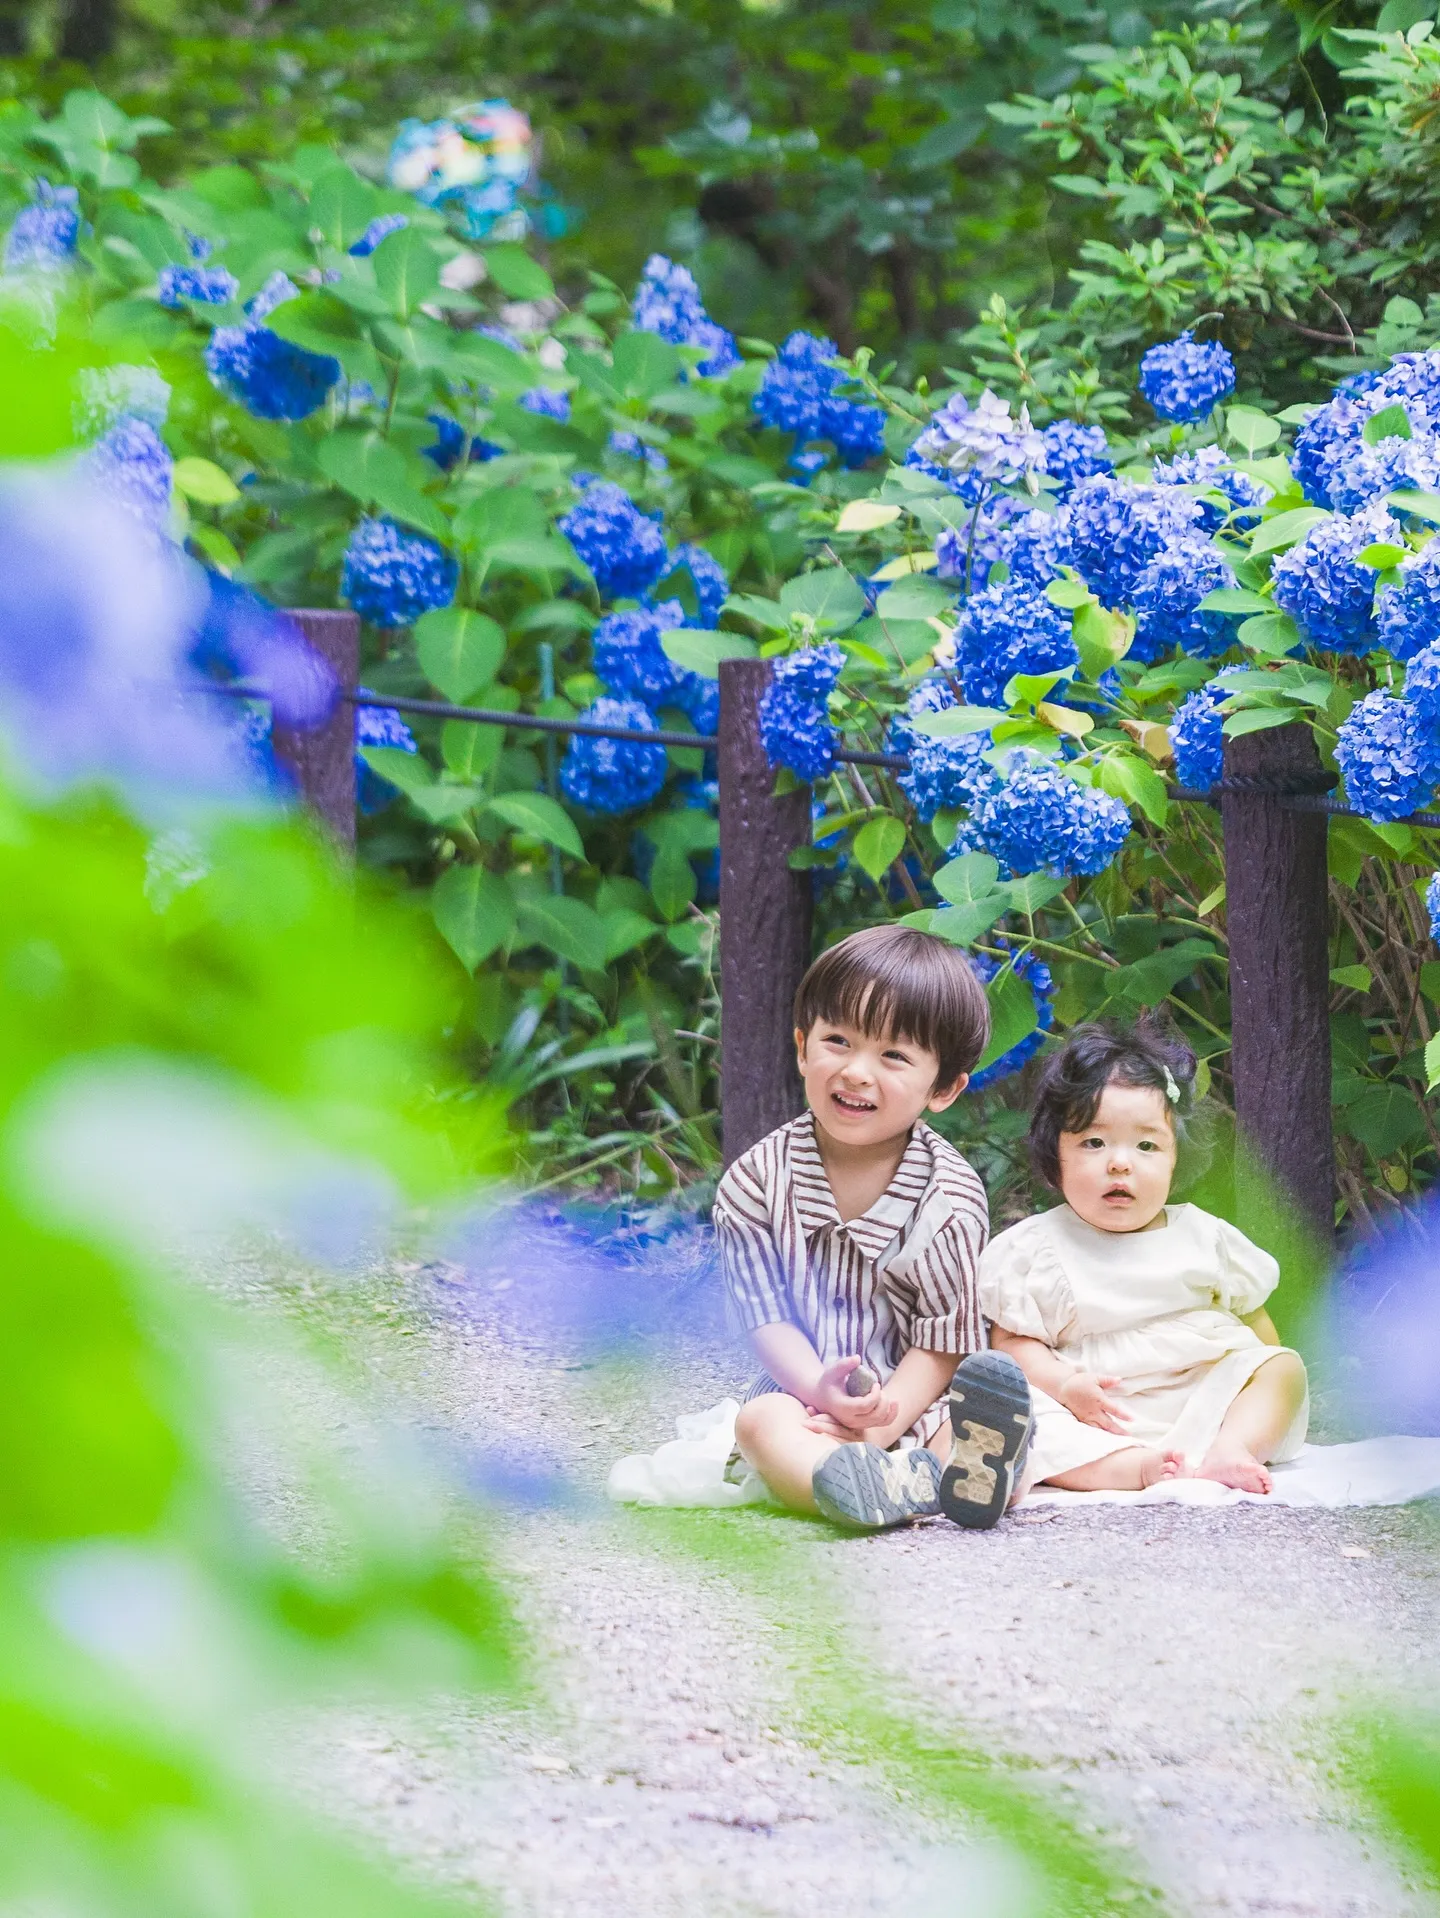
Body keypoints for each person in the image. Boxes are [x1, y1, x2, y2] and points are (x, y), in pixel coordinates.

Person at [715, 925, 1034, 1532]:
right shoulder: (755, 1184)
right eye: (838, 1040)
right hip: (804, 1396)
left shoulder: (950, 1198)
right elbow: (767, 1317)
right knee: (760, 1425)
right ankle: (862, 1485)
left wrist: (885, 1421)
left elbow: (943, 1341)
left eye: (893, 1055)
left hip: (918, 1393)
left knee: (965, 1428)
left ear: (943, 1088)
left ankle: (957, 1471)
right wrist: (819, 1389)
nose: (857, 1072)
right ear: (803, 1046)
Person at [980, 1019, 1309, 1495]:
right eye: (1094, 1142)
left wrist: (1255, 1378)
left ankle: (1233, 1447)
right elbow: (1011, 1343)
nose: (1120, 1162)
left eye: (1147, 1145)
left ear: (1177, 1158)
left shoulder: (1203, 1235)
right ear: (1056, 1155)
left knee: (1283, 1368)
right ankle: (1131, 1468)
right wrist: (1065, 1385)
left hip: (1204, 1397)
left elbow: (1255, 1322)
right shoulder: (1037, 1248)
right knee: (1030, 1415)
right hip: (1097, 1411)